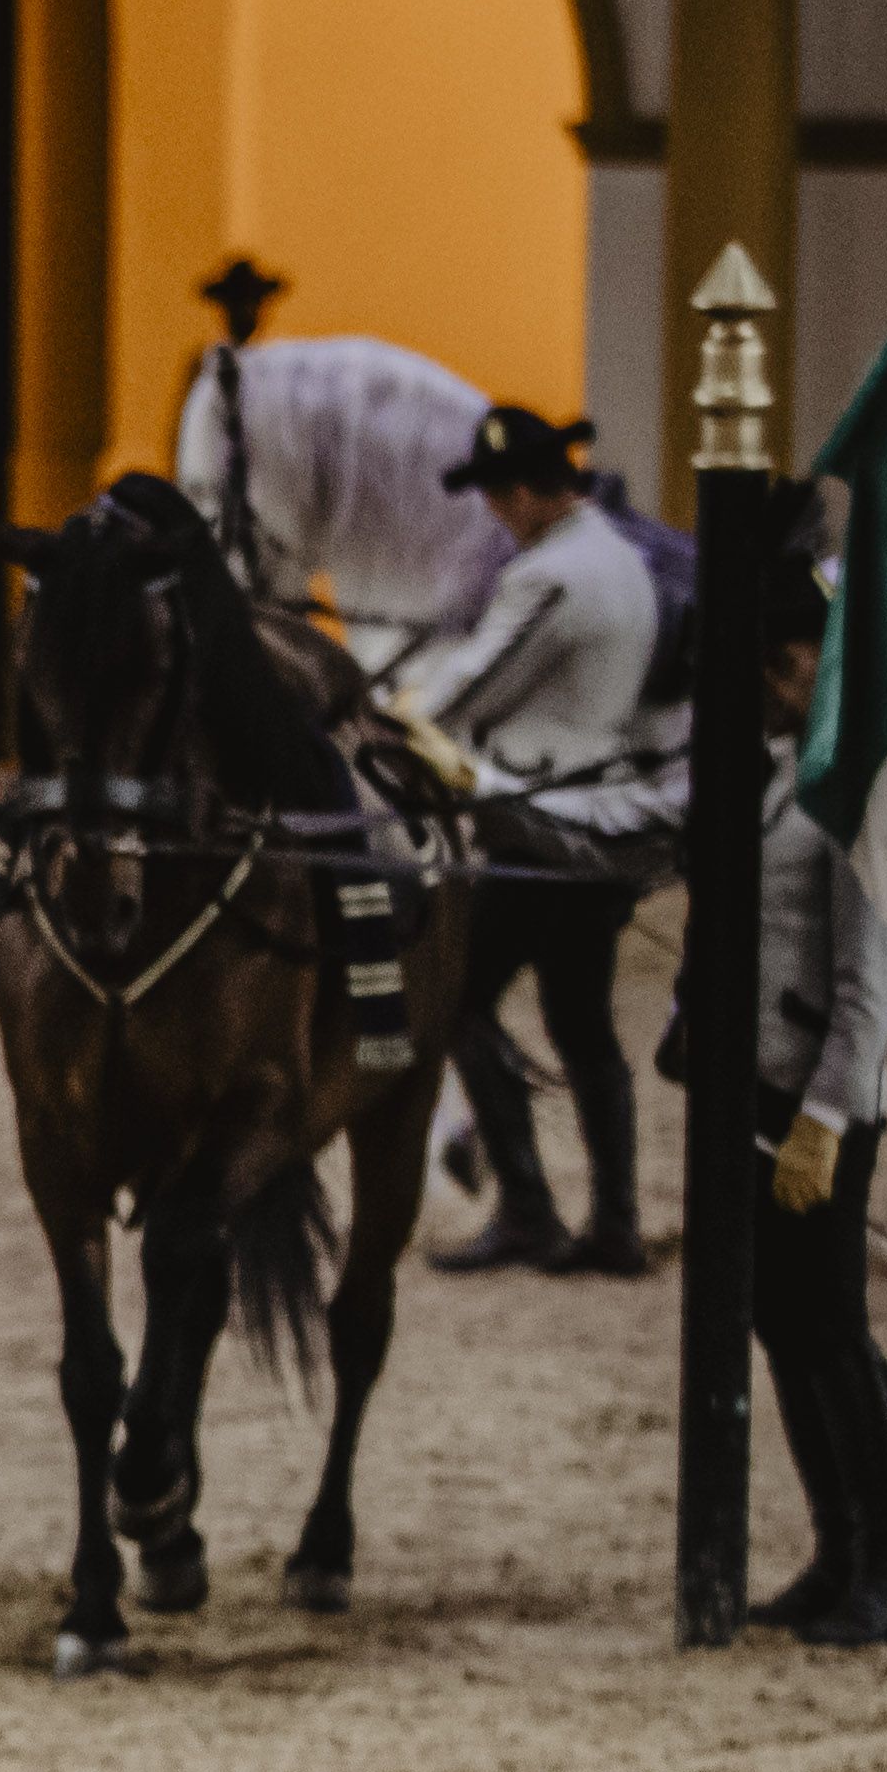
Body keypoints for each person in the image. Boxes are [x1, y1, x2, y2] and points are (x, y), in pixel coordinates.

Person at [398, 403, 686, 1277]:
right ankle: (614, 1221)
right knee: (579, 1021)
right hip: (586, 815)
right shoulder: (615, 553)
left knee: (452, 996)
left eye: (493, 496)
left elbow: (468, 692)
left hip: (541, 825)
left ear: (525, 493)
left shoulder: (551, 575)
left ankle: (527, 1208)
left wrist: (393, 711)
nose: (490, 513)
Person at [705, 540, 887, 1644]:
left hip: (813, 1105)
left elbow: (870, 979)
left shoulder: (855, 787)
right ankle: (835, 1549)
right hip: (756, 1093)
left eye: (765, 659)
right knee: (781, 1329)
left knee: (831, 1331)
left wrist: (826, 1118)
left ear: (799, 660)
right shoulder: (786, 770)